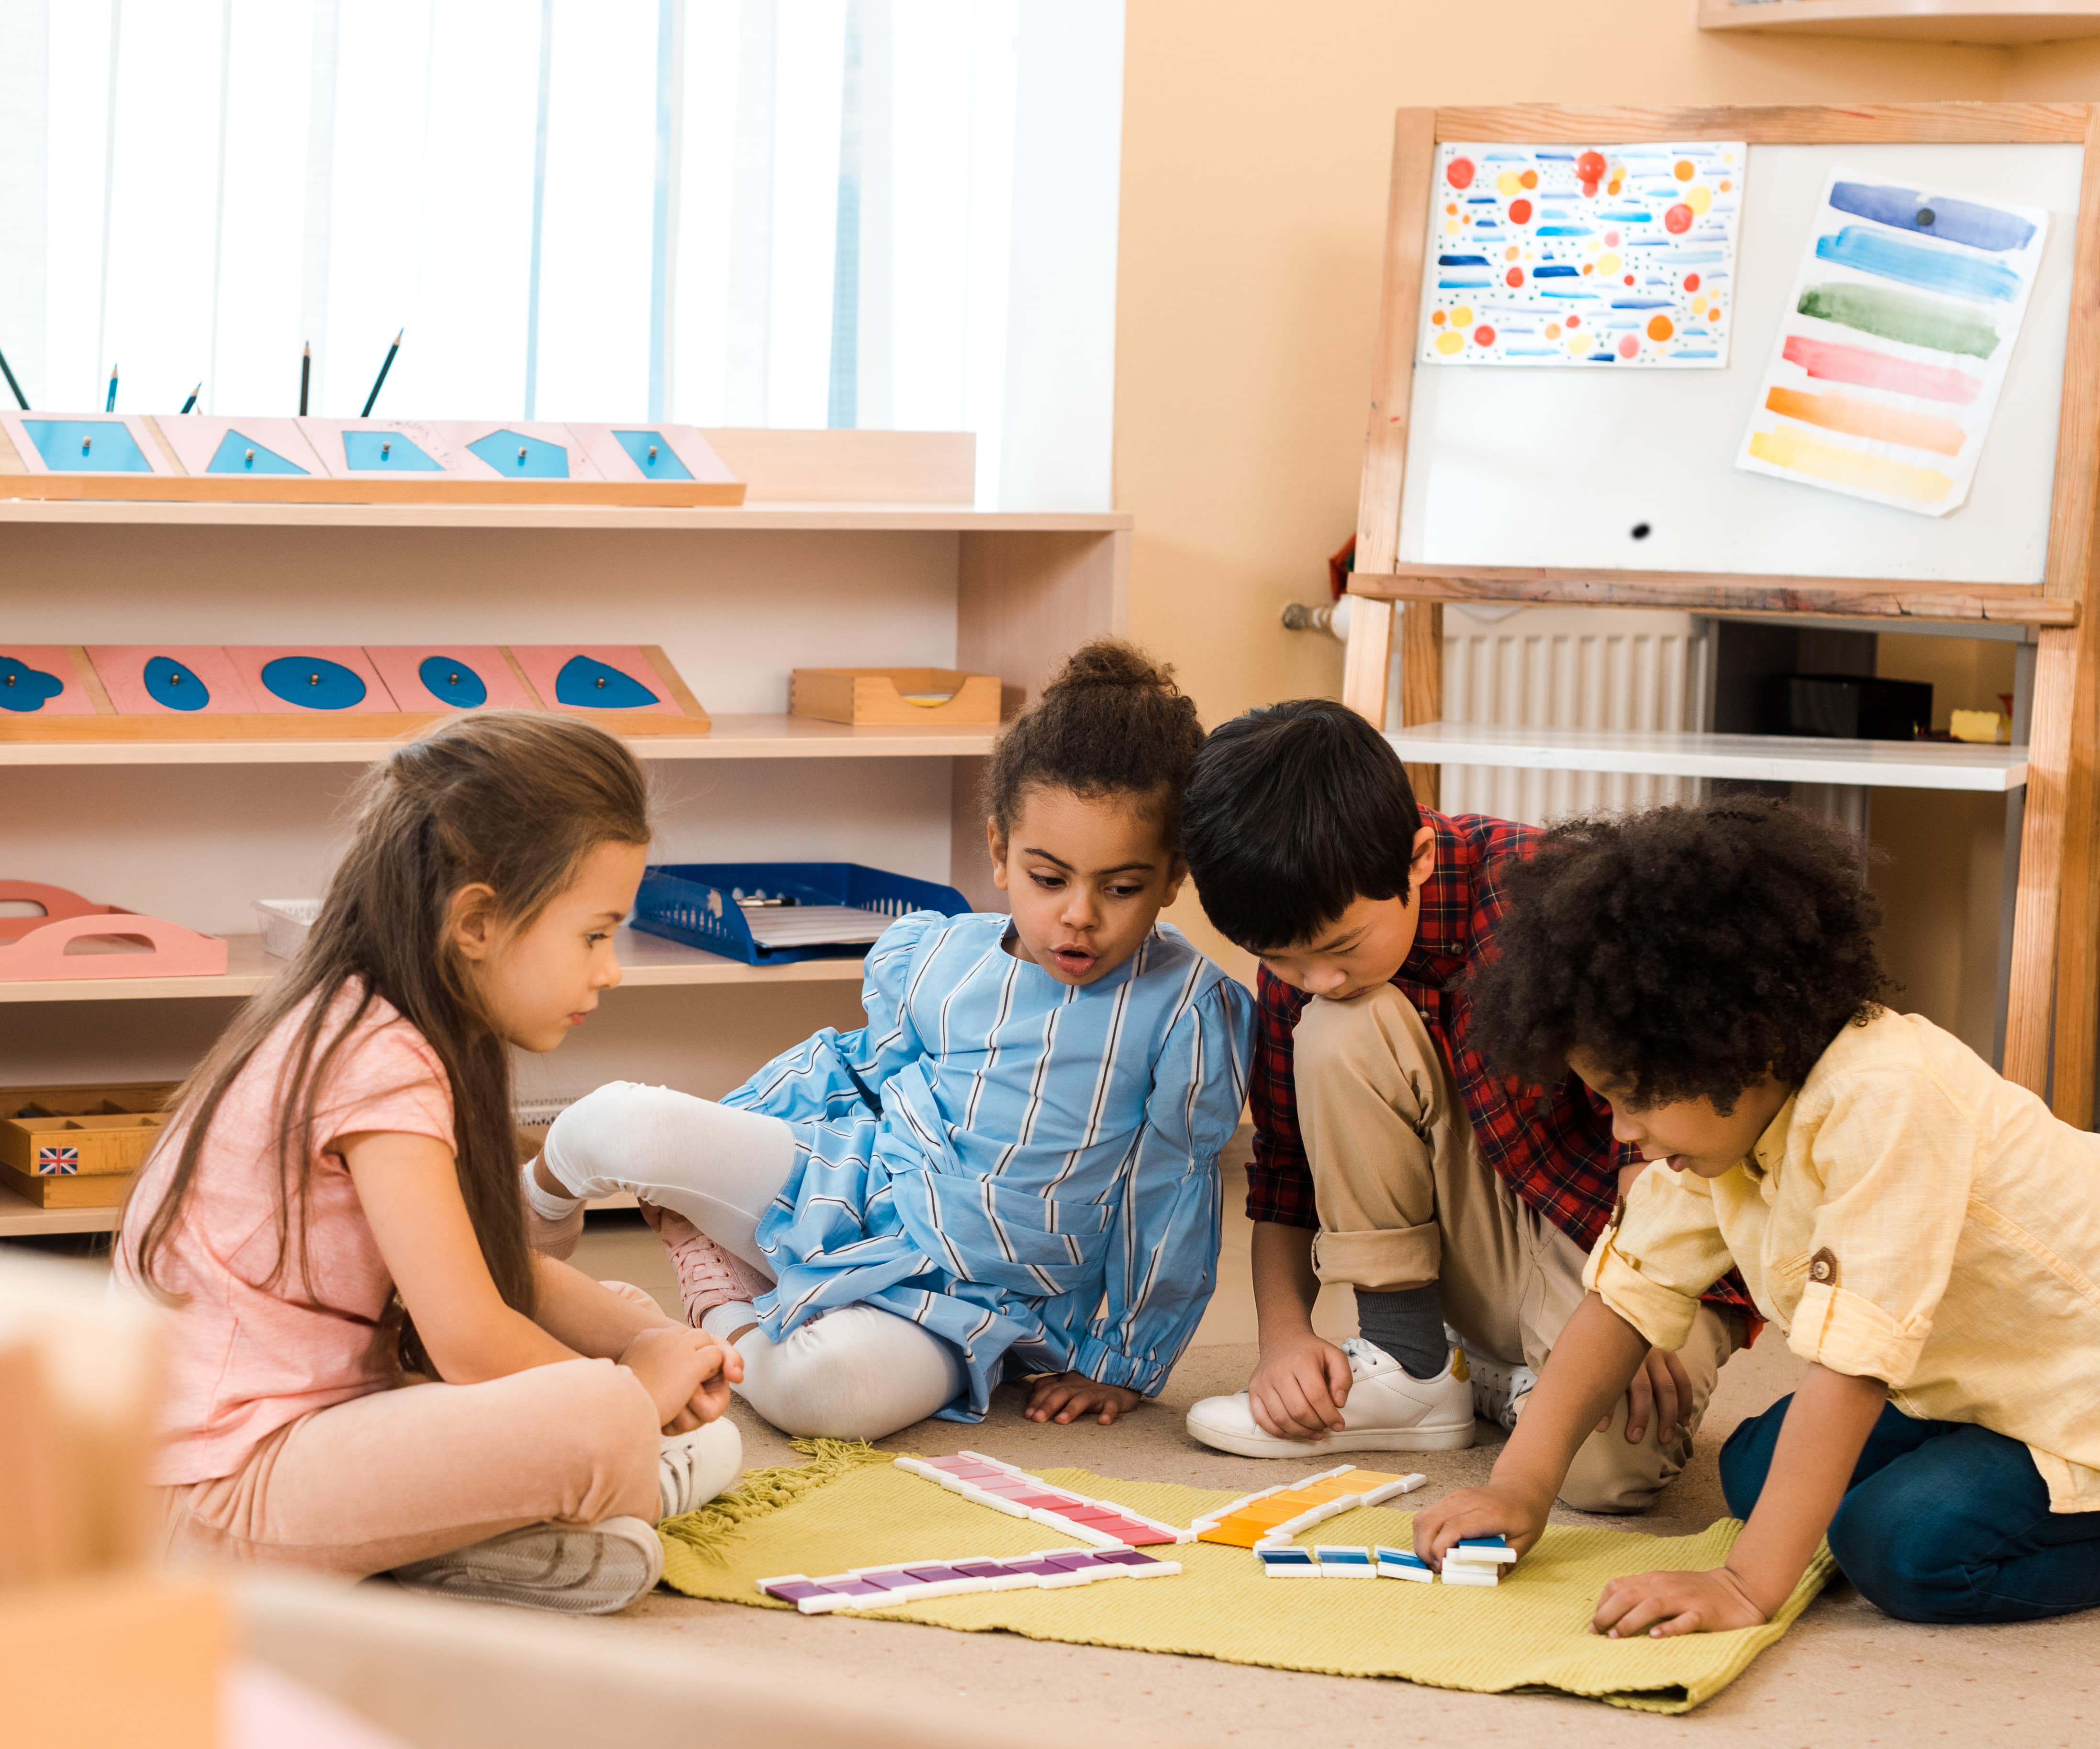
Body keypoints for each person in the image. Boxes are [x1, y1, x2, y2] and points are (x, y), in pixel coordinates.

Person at [527, 640, 1252, 1442]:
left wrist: (1124, 1363)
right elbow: (849, 1072)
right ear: (999, 848)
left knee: (824, 1393)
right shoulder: (938, 955)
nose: (1080, 914)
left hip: (981, 1299)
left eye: (1121, 888)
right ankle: (510, 1246)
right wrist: (723, 1140)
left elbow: (1172, 1198)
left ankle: (716, 1310)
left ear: (1172, 876)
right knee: (616, 1121)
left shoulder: (1186, 1007)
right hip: (854, 1186)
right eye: (1050, 880)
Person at [1414, 799, 2100, 1632]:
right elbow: (1624, 1298)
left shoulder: (1888, 1099)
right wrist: (1518, 1486)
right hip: (1978, 1379)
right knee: (1752, 1468)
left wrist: (1743, 1585)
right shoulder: (1724, 1125)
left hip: (2076, 1393)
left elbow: (1852, 1369)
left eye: (1634, 1099)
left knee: (1902, 1547)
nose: (1622, 1132)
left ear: (1738, 1046)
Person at [119, 713, 748, 1616]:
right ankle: (622, 1482)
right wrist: (633, 1392)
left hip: (301, 1438)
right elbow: (467, 1337)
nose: (611, 970)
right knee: (603, 1416)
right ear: (480, 922)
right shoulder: (377, 1058)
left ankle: (469, 1539)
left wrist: (639, 1345)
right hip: (218, 1496)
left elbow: (486, 1274)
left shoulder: (379, 1021)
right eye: (595, 934)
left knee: (628, 1322)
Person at [1173, 701, 1752, 1512]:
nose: (1315, 979)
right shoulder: (1308, 972)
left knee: (1605, 1472)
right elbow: (1285, 1171)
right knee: (1337, 1029)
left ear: (1416, 859)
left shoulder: (1547, 894)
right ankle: (1411, 1363)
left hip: (1623, 1235)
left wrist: (1644, 1299)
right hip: (1477, 1240)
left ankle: (1497, 1378)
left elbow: (1656, 1138)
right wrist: (1282, 1341)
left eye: (1339, 949)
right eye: (1281, 959)